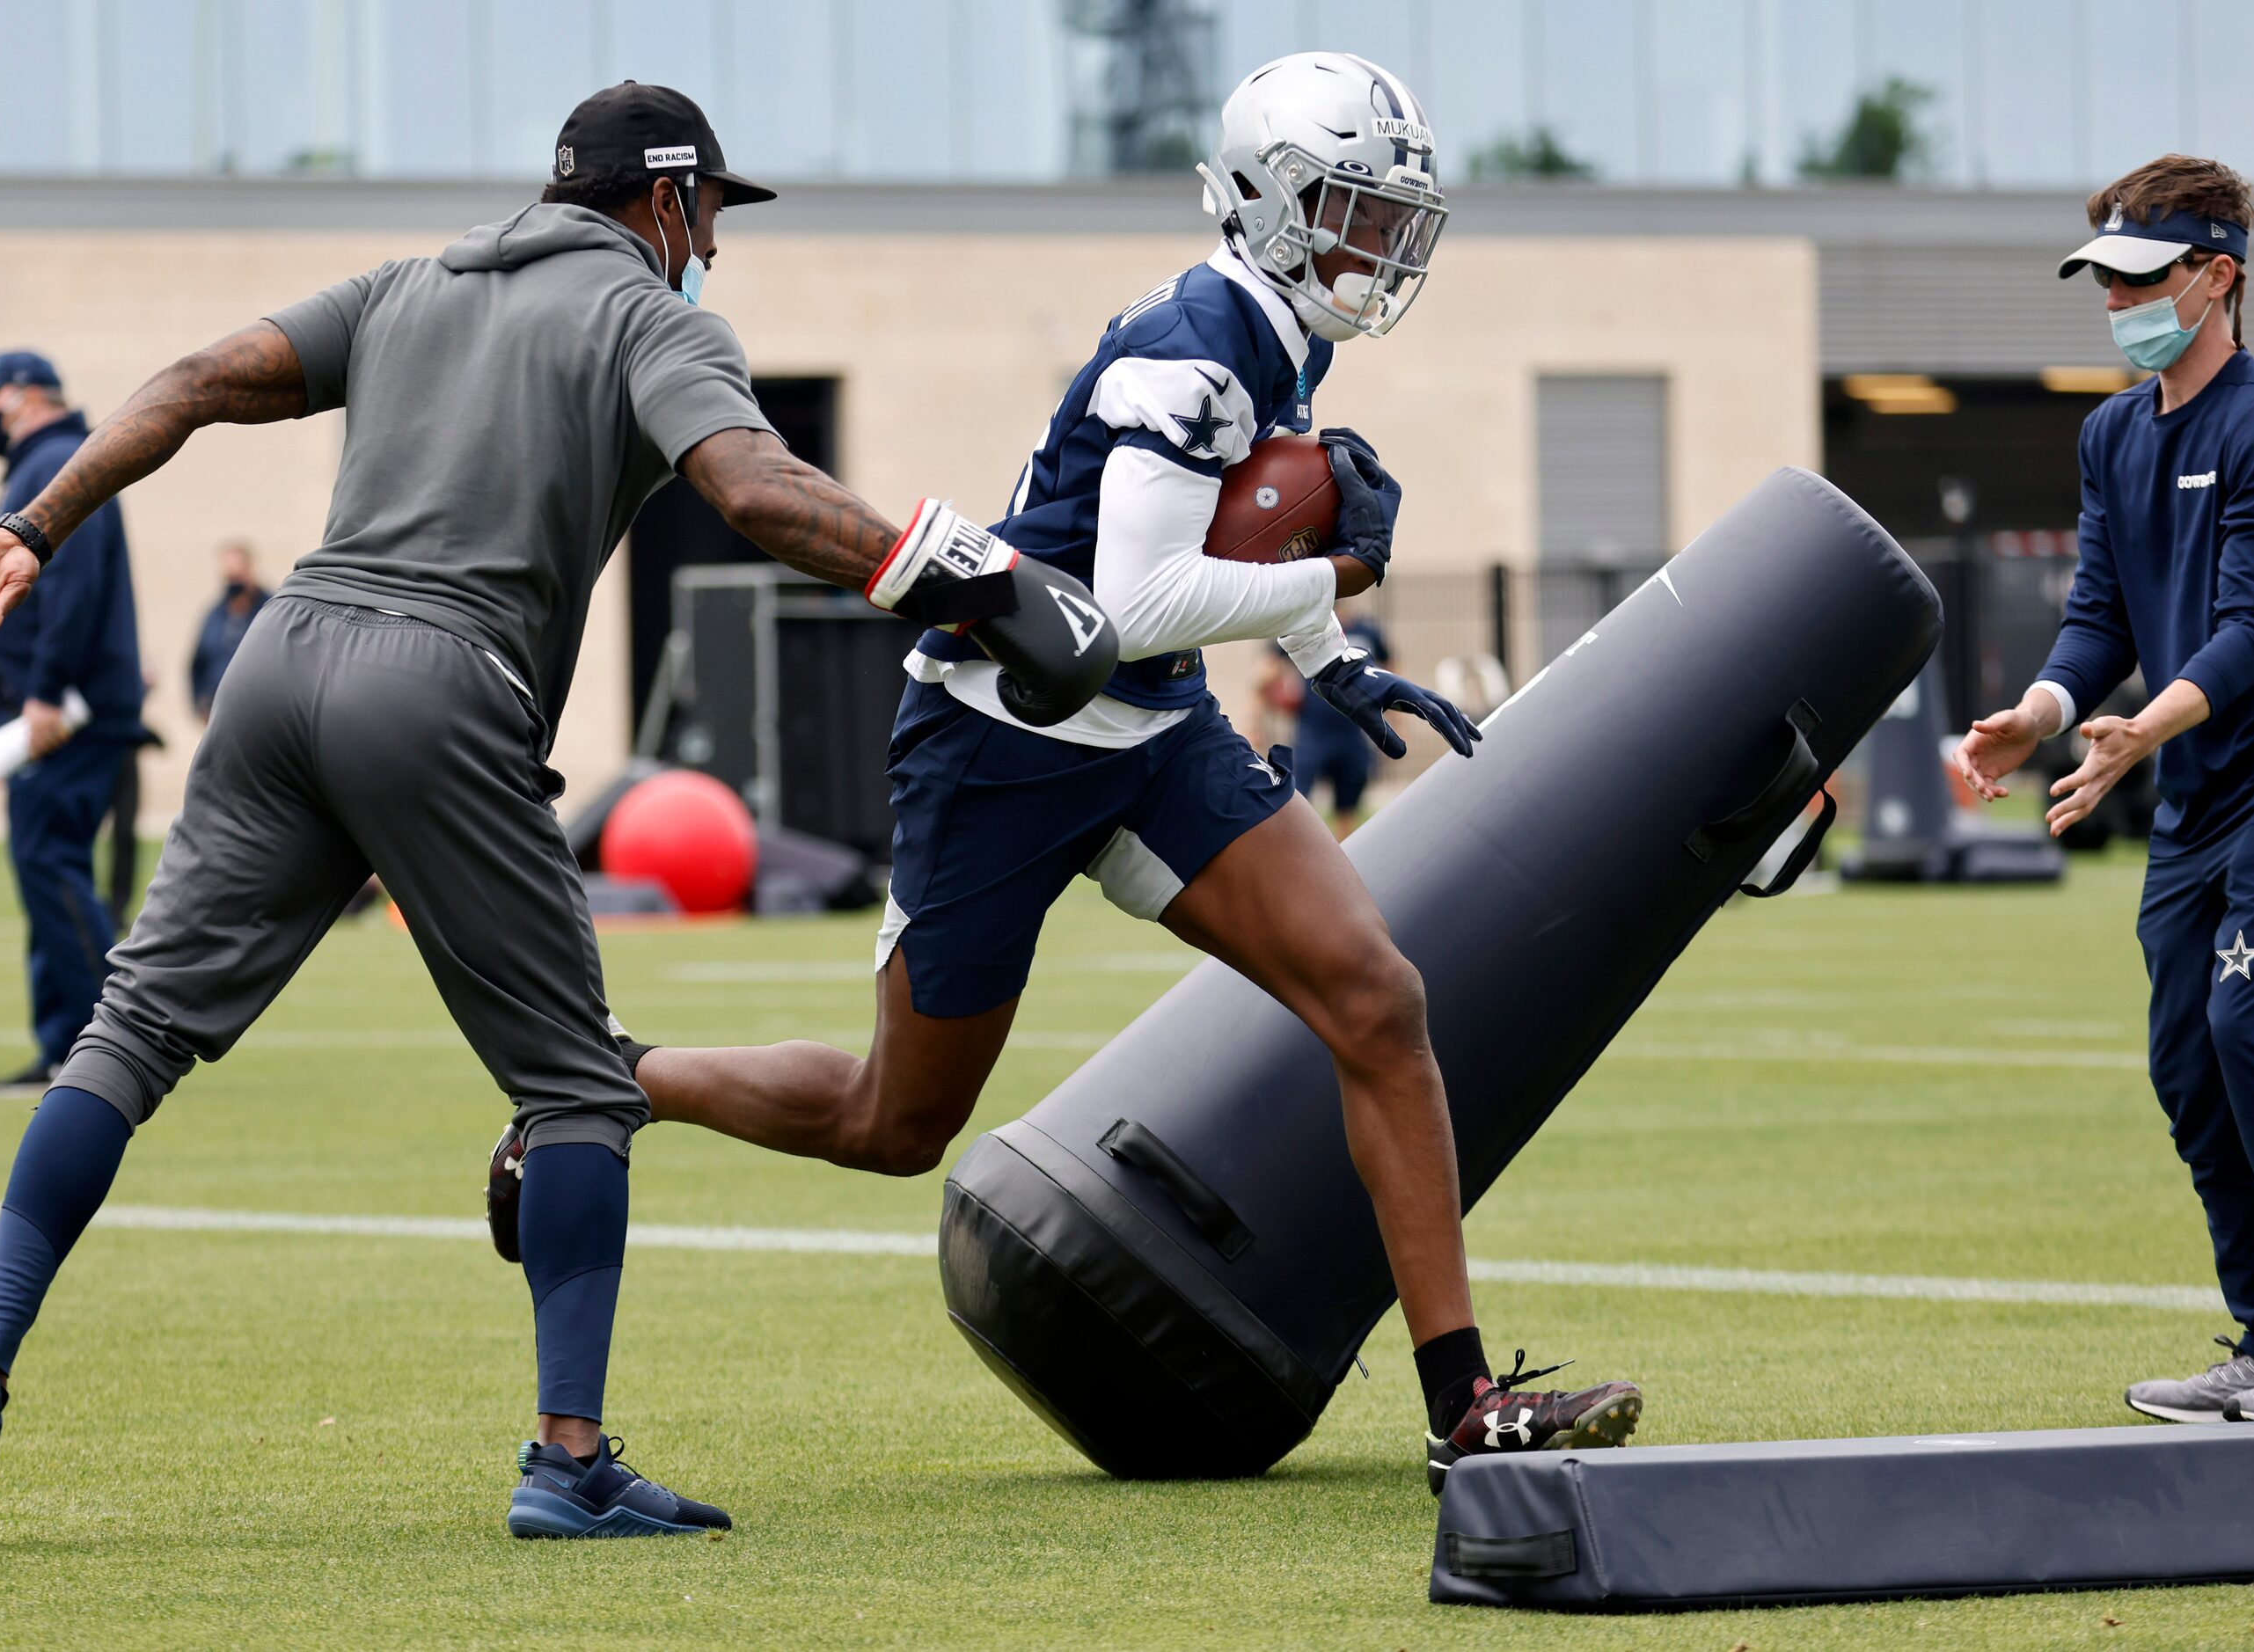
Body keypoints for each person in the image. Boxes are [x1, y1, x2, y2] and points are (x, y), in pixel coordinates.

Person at [0, 80, 1110, 1547]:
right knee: (580, 1086)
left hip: (286, 658)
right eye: (712, 212)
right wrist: (976, 579)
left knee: (128, 1032)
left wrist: (30, 525)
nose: (712, 242)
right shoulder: (652, 318)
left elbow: (196, 376)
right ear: (664, 201)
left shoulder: (406, 285)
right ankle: (567, 1458)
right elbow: (760, 492)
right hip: (439, 682)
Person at [498, 54, 1644, 1495]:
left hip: (1149, 731)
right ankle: (615, 1081)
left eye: (1388, 211)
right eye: (1352, 207)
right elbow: (1141, 595)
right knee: (892, 1121)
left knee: (1375, 997)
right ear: (1265, 204)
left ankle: (1460, 1400)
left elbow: (1208, 575)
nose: (1377, 242)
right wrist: (1333, 563)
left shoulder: (1282, 336)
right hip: (1005, 734)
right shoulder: (1193, 343)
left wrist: (1331, 650)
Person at [1955, 154, 2254, 1428]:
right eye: (2104, 283)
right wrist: (2041, 716)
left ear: (2218, 279)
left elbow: (2251, 627)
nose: (2119, 306)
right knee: (2186, 1061)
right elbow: (2100, 613)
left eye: (2142, 281)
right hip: (2198, 789)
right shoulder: (2112, 432)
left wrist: (2137, 732)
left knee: (2250, 1030)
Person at [0, 351, 146, 1101]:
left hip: (63, 715)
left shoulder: (60, 461)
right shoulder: (46, 463)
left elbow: (74, 587)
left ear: (25, 397)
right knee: (45, 867)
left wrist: (44, 696)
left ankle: (110, 1049)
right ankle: (64, 1042)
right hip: (53, 710)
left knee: (49, 860)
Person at [1288, 602, 1391, 837]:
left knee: (1348, 806)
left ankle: (1344, 856)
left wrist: (1395, 721)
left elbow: (1388, 669)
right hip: (1313, 731)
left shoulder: (1367, 631)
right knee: (1298, 800)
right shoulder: (1305, 627)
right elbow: (1266, 673)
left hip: (1352, 730)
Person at [188, 539, 270, 720]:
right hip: (218, 716)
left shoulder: (272, 611)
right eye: (229, 579)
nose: (234, 586)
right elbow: (197, 663)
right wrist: (199, 705)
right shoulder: (214, 615)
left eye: (237, 578)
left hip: (259, 717)